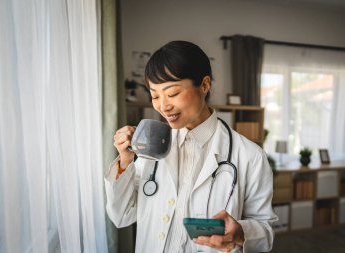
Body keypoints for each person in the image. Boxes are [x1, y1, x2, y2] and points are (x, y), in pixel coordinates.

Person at [105, 41, 277, 253]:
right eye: (155, 95)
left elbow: (266, 231)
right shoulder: (152, 147)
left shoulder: (251, 156)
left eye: (173, 93)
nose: (163, 106)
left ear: (204, 85)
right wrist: (125, 161)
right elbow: (121, 216)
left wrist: (241, 232)